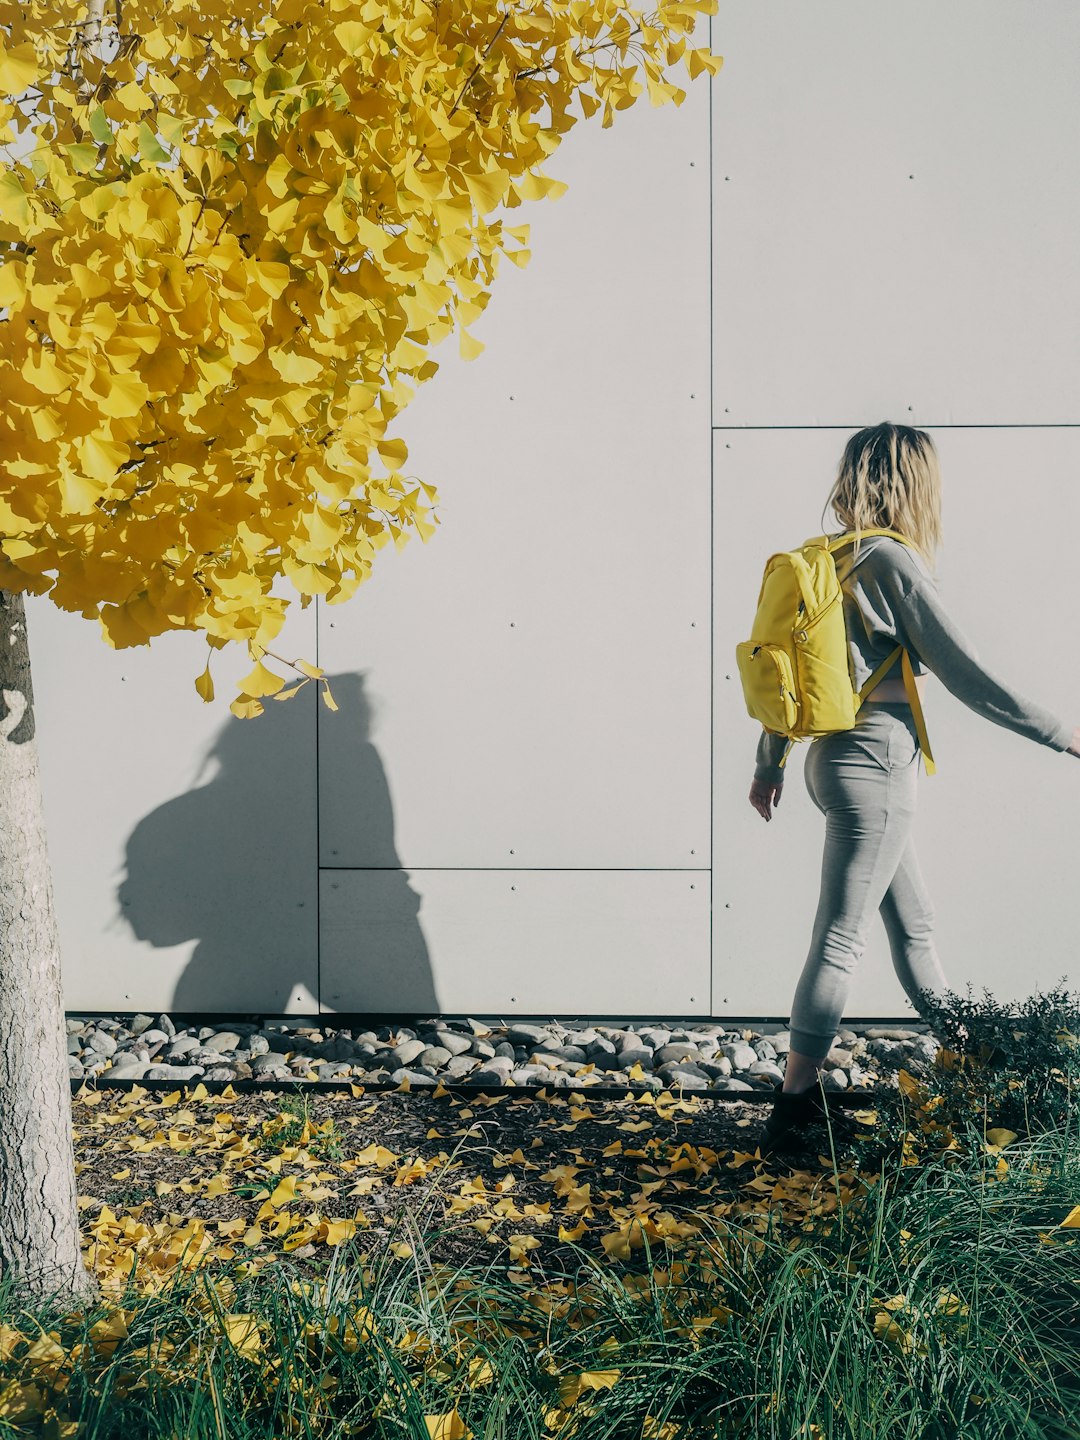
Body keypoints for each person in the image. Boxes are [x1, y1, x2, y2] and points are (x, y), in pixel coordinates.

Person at [750, 422, 1080, 1156]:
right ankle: (794, 1107)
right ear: (912, 483)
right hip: (877, 762)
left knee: (914, 921)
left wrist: (768, 763)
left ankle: (970, 1055)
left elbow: (787, 676)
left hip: (829, 757)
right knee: (842, 935)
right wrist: (1060, 732)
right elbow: (963, 669)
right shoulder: (889, 560)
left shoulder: (827, 557)